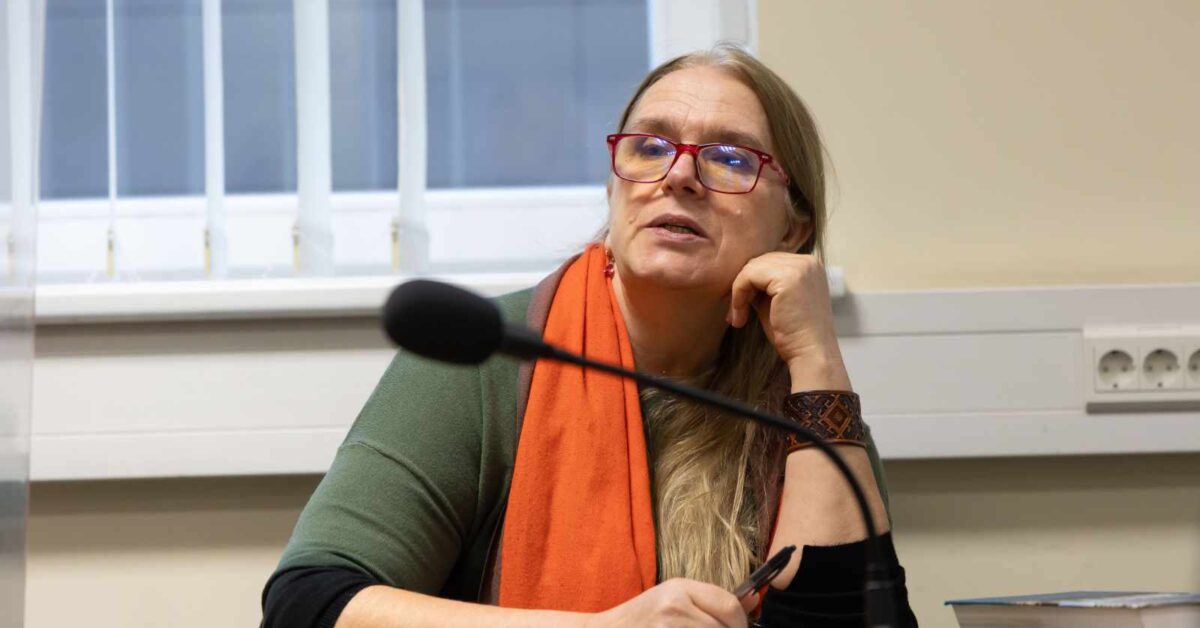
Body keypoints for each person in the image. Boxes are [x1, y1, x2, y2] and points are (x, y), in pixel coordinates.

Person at [262, 44, 917, 628]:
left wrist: (817, 359)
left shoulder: (806, 405)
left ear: (793, 228)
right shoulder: (490, 361)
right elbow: (306, 606)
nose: (679, 176)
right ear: (613, 186)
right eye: (649, 148)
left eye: (728, 159)